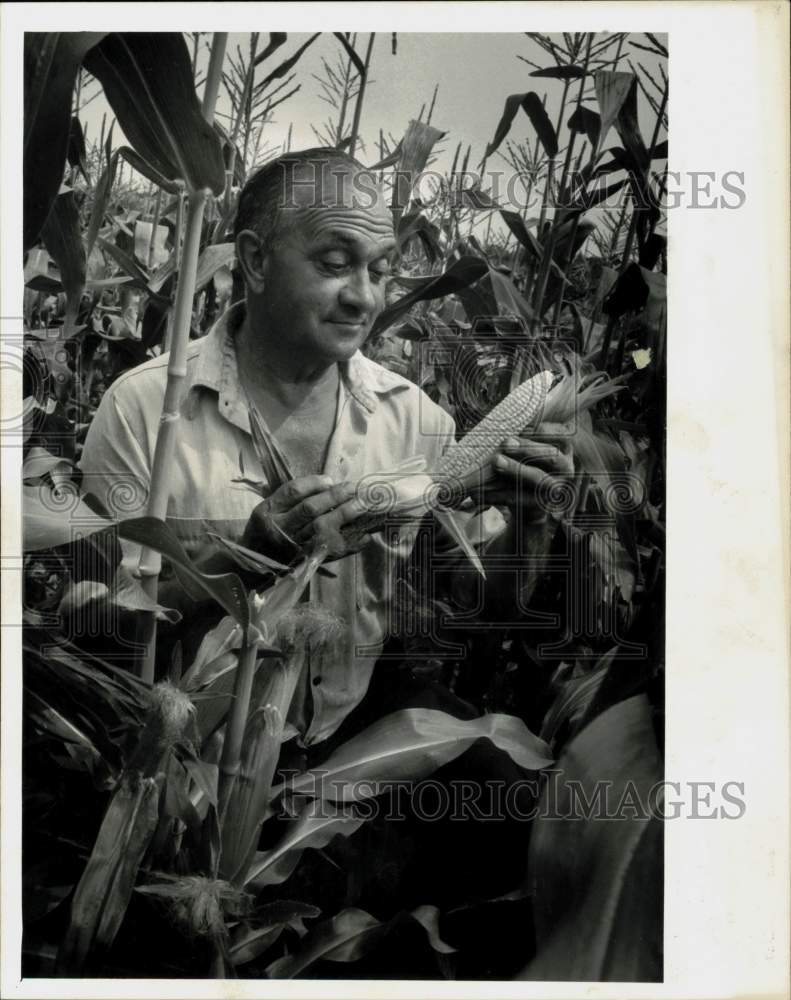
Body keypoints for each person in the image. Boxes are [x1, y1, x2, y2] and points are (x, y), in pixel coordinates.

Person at [79, 148, 573, 916]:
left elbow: (485, 606)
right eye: (337, 264)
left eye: (381, 270)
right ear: (252, 260)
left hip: (346, 758)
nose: (364, 297)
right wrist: (247, 557)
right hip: (170, 774)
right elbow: (95, 629)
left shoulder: (414, 419)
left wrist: (531, 517)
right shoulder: (148, 409)